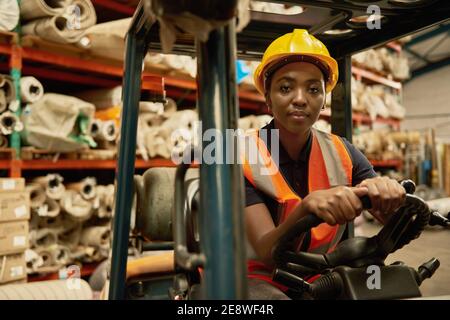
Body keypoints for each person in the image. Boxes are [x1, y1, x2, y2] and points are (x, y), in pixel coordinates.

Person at [242, 29, 406, 299]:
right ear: (268, 98)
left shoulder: (343, 152)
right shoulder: (242, 156)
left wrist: (388, 195)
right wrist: (305, 207)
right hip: (254, 277)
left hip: (320, 273)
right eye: (285, 87)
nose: (300, 99)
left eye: (313, 89)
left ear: (324, 99)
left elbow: (389, 221)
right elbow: (267, 252)